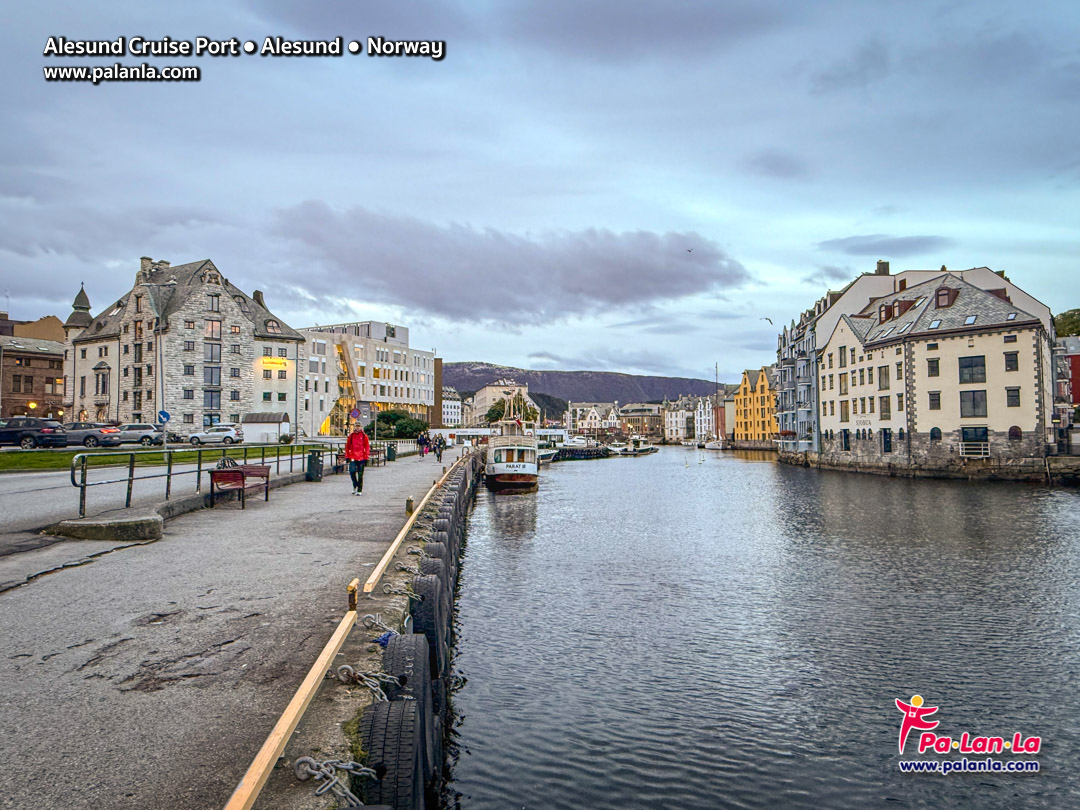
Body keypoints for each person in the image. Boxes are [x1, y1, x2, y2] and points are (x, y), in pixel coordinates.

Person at [345, 423, 371, 495]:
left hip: (361, 457)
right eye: (356, 426)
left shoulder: (364, 436)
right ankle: (355, 485)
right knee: (352, 472)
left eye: (359, 426)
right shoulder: (351, 436)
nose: (357, 428)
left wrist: (366, 456)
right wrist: (347, 456)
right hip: (353, 456)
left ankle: (359, 489)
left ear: (361, 427)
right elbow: (347, 446)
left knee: (360, 474)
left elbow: (367, 446)